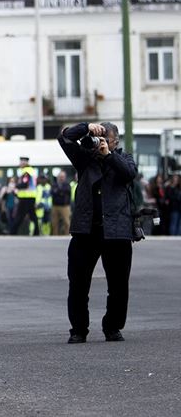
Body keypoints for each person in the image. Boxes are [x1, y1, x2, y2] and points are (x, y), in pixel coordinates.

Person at [59, 122, 137, 343]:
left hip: (117, 232)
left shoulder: (125, 159)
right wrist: (86, 128)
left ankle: (113, 327)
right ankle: (78, 329)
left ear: (115, 142)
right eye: (97, 139)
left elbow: (129, 173)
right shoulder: (84, 159)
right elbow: (64, 138)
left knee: (119, 285)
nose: (98, 144)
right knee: (78, 284)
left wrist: (109, 155)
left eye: (105, 139)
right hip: (86, 231)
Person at [10, 156, 40, 235]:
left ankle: (13, 232)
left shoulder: (26, 172)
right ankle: (37, 232)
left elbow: (24, 184)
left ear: (25, 162)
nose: (20, 164)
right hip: (30, 197)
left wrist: (15, 186)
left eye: (21, 162)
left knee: (19, 216)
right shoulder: (30, 171)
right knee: (32, 216)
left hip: (26, 197)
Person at [50, 171, 72, 236]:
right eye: (60, 177)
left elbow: (67, 191)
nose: (61, 178)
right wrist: (60, 192)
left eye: (62, 177)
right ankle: (55, 235)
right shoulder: (54, 184)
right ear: (57, 177)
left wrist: (58, 192)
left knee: (66, 222)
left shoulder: (67, 184)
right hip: (55, 206)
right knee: (54, 222)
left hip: (65, 206)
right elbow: (52, 192)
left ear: (65, 177)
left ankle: (67, 235)